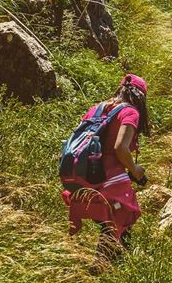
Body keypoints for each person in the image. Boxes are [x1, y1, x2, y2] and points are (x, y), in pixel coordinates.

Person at [61, 74, 150, 268]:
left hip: (79, 174)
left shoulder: (96, 108)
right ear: (141, 97)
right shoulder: (130, 112)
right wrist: (135, 170)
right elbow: (120, 148)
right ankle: (102, 269)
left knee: (109, 222)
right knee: (123, 215)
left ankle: (114, 267)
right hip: (105, 177)